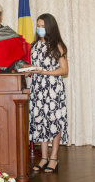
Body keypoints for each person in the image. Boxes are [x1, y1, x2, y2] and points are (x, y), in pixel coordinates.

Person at [28, 13, 68, 173]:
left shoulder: (58, 45)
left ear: (50, 27)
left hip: (53, 89)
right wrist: (28, 71)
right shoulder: (34, 45)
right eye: (38, 26)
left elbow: (64, 70)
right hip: (38, 88)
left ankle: (54, 157)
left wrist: (44, 72)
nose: (40, 29)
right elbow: (35, 67)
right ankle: (44, 157)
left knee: (54, 121)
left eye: (43, 26)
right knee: (40, 121)